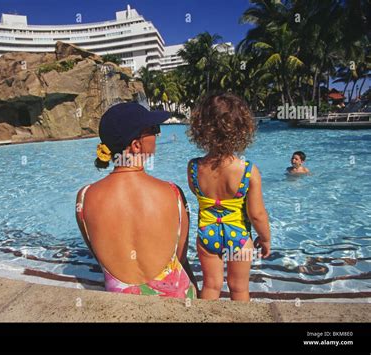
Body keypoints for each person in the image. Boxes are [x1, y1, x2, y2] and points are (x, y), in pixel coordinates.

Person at [76, 102, 198, 299]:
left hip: (121, 307)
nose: (157, 135)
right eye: (154, 130)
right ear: (136, 145)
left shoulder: (84, 197)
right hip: (178, 304)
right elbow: (181, 257)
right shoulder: (172, 193)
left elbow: (100, 256)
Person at [187, 93, 271, 301]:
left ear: (201, 128)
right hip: (239, 238)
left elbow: (197, 193)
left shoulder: (194, 167)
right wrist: (265, 238)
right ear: (242, 129)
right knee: (239, 288)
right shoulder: (248, 170)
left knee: (211, 285)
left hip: (207, 234)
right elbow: (257, 214)